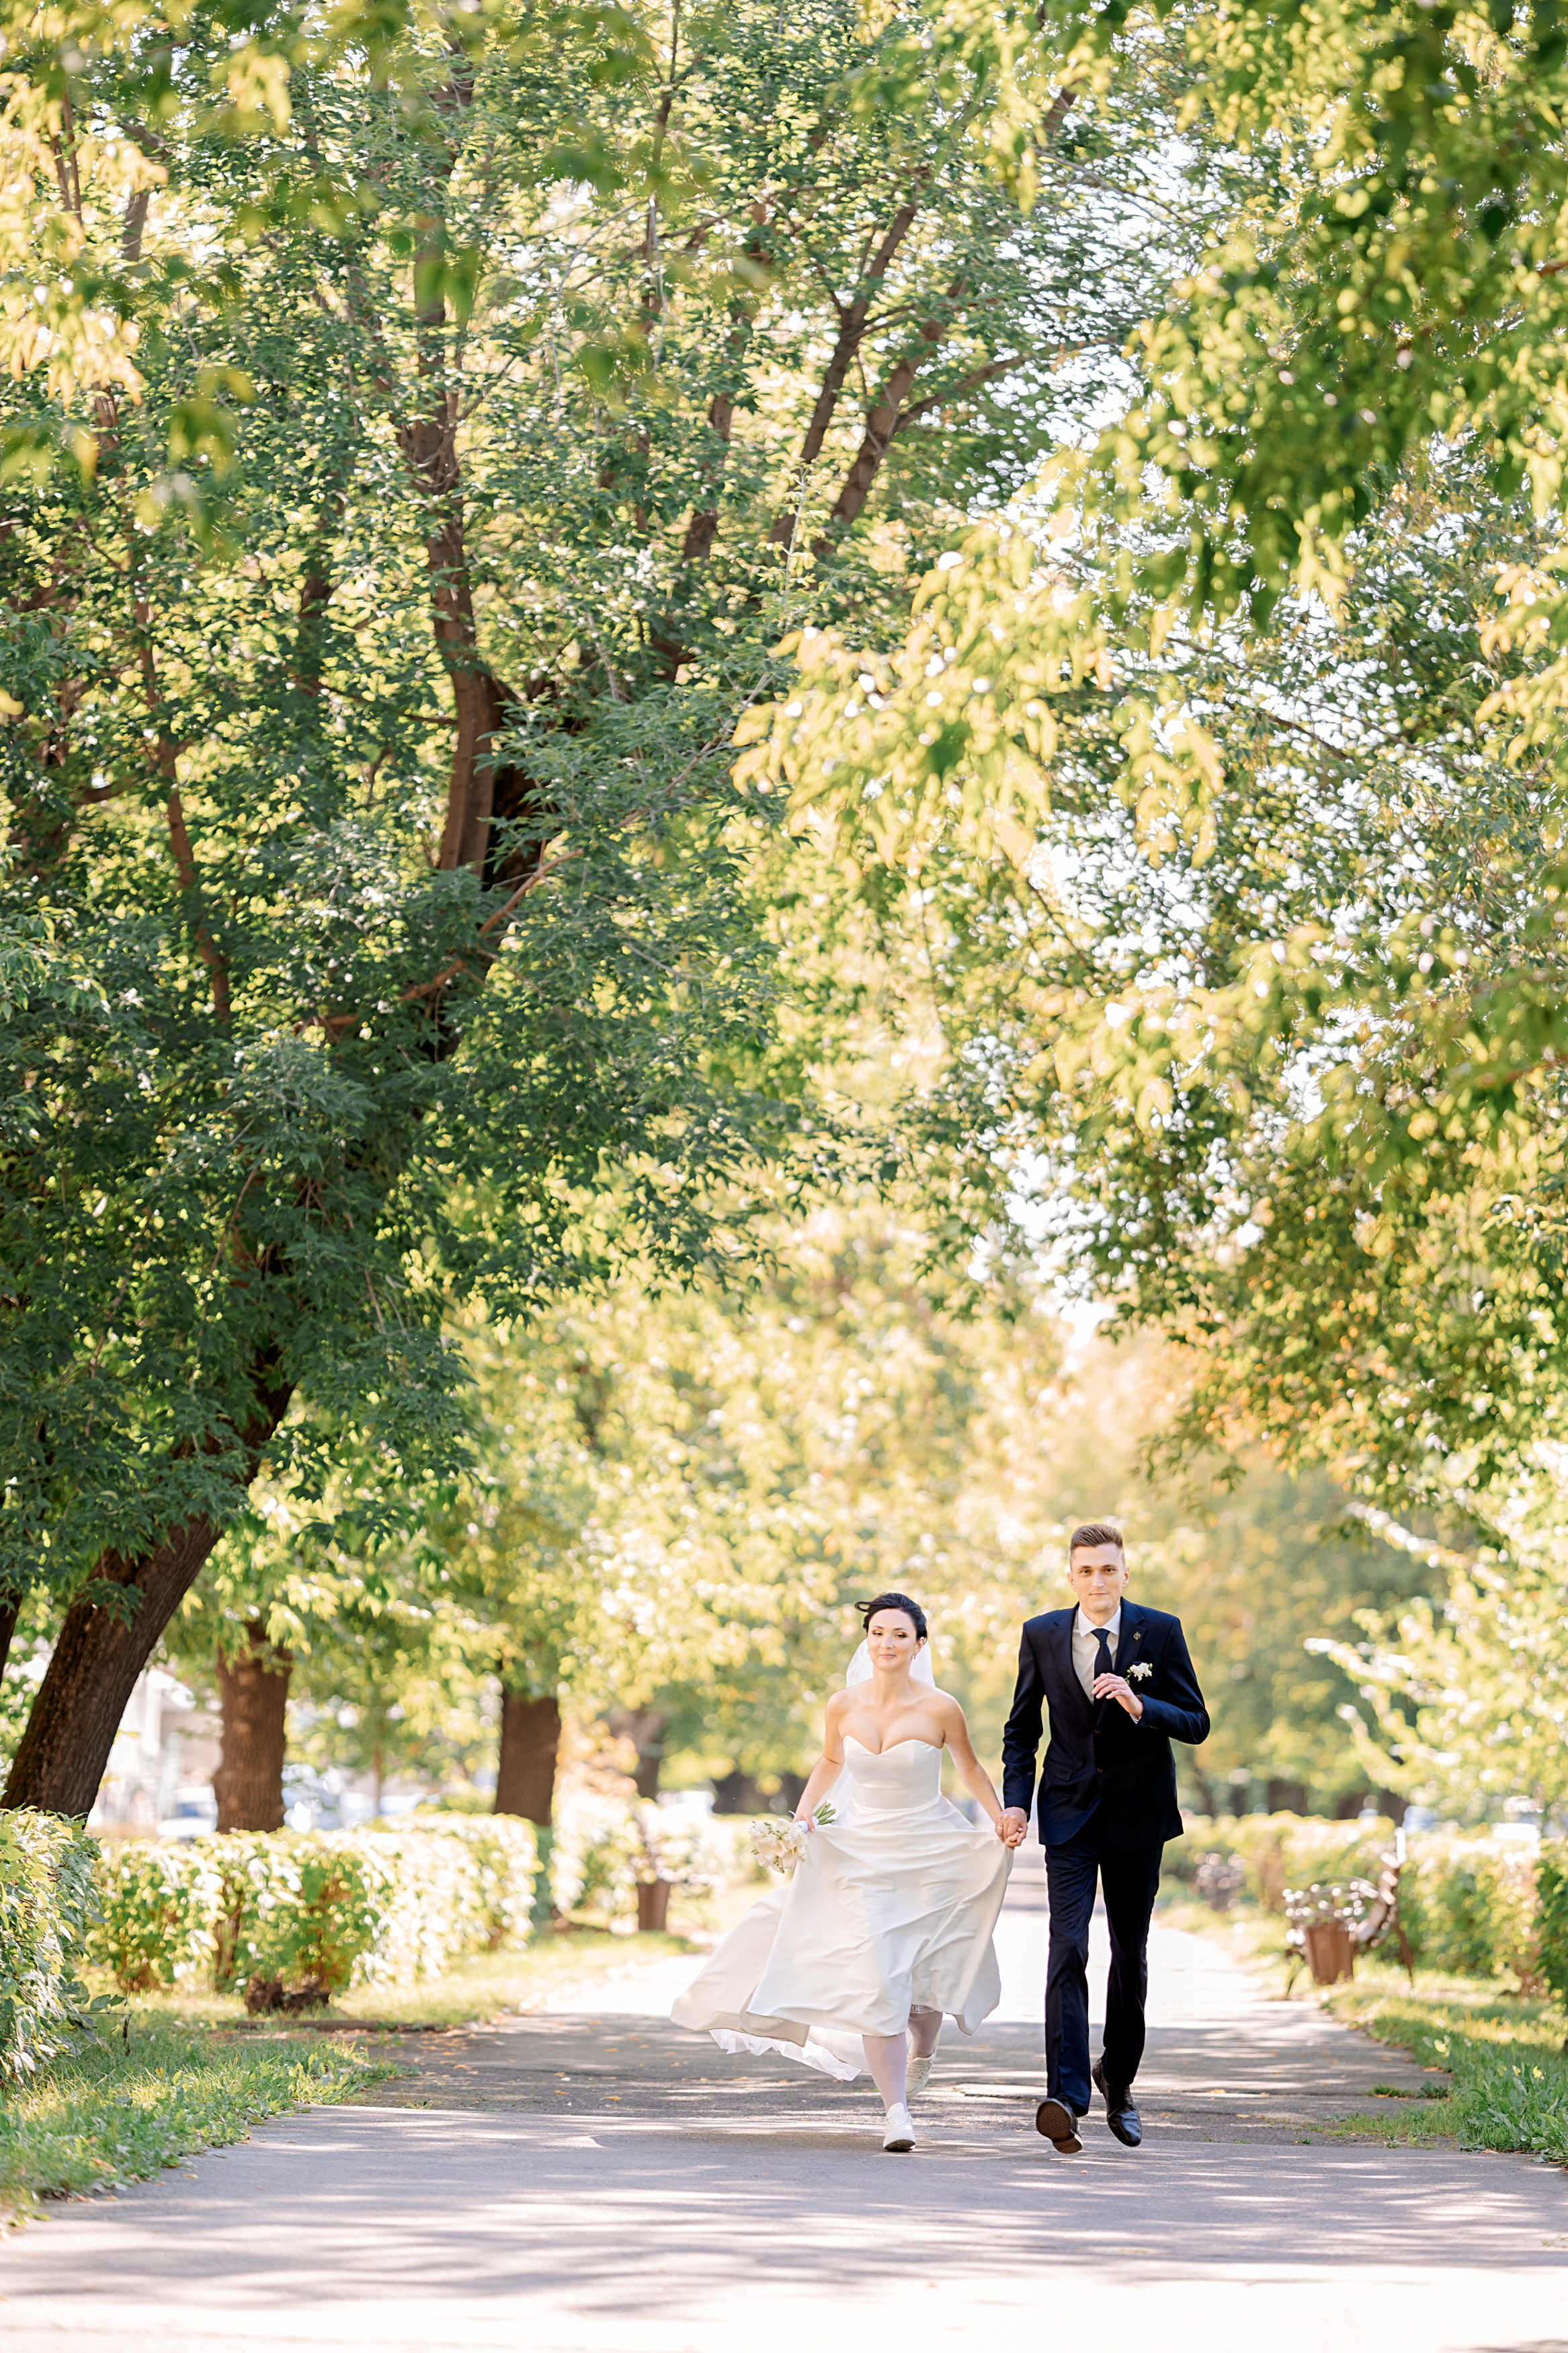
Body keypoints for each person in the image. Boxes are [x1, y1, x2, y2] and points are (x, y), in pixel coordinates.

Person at [671, 1592, 1021, 2153]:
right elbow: (832, 1760)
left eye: (899, 1635)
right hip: (862, 1849)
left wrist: (1001, 1813)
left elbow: (969, 1766)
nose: (887, 1643)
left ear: (919, 1645)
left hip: (927, 1849)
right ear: (868, 1639)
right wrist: (803, 1817)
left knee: (920, 1989)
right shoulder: (843, 1704)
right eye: (878, 1633)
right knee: (877, 1976)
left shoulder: (940, 1708)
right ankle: (896, 2113)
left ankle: (924, 2049)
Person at [997, 1522, 1209, 2155]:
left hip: (1139, 1815)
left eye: (1107, 1570)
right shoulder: (1041, 1634)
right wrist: (1016, 1801)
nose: (1097, 1580)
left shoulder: (1161, 1631)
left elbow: (1196, 1722)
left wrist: (1143, 1708)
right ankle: (1064, 2096)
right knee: (1066, 1946)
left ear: (1124, 1573)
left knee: (1129, 1953)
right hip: (1067, 1810)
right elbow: (1020, 1732)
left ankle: (1118, 2080)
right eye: (1085, 1570)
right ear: (1071, 1576)